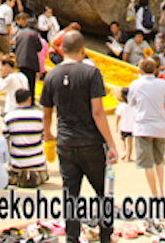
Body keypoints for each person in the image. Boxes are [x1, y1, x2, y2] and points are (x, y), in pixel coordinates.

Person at [40, 30, 117, 243]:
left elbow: (46, 112)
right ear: (83, 50)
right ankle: (105, 236)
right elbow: (98, 112)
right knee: (103, 194)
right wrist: (110, 144)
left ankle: (72, 238)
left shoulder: (52, 75)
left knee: (70, 194)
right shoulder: (91, 73)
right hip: (91, 142)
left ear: (61, 50)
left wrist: (48, 135)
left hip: (65, 142)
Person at [127, 58, 165, 197]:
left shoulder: (135, 84)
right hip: (160, 126)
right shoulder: (162, 84)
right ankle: (161, 192)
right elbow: (164, 101)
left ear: (140, 70)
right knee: (159, 161)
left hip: (143, 126)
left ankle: (154, 194)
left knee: (147, 164)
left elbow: (130, 102)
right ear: (155, 70)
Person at [3, 88, 48, 186]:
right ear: (29, 99)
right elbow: (45, 137)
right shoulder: (40, 116)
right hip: (37, 163)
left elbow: (6, 142)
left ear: (16, 101)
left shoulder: (8, 118)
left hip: (17, 162)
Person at [13, 13, 42, 104]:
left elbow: (14, 47)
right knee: (31, 82)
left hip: (20, 60)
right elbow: (39, 47)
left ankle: (21, 100)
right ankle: (31, 101)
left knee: (22, 81)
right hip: (30, 60)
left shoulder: (19, 33)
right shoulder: (34, 34)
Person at [114, 87, 136, 162]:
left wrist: (116, 125)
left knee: (122, 139)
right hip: (132, 127)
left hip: (124, 126)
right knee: (130, 142)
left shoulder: (121, 106)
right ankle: (129, 157)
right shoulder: (134, 105)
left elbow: (118, 116)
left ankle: (123, 151)